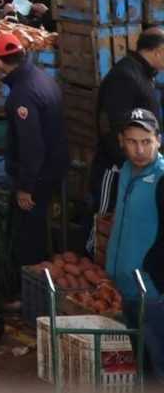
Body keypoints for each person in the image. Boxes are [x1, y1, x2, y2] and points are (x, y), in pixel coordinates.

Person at [0, 32, 68, 269]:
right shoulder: (41, 77)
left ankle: (28, 292)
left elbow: (31, 145)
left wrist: (26, 186)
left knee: (27, 237)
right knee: (35, 231)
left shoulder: (22, 94)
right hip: (51, 168)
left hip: (38, 175)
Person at [101, 109, 164, 319]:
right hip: (127, 288)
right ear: (121, 141)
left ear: (158, 140)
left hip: (152, 291)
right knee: (139, 351)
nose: (139, 150)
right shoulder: (126, 170)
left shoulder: (161, 178)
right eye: (132, 142)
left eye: (146, 142)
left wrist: (154, 275)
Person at [96, 29, 164, 202]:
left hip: (138, 171)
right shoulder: (124, 76)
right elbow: (109, 126)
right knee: (106, 224)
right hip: (117, 173)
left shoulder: (143, 74)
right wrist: (129, 164)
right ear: (159, 51)